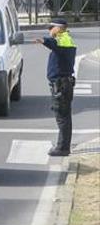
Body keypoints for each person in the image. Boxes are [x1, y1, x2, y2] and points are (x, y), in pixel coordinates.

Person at [36, 19, 77, 157]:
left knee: (62, 116)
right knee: (64, 116)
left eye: (51, 28)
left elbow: (54, 44)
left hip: (61, 84)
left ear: (58, 29)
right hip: (64, 83)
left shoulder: (63, 39)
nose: (49, 30)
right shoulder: (66, 39)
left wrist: (44, 40)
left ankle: (62, 148)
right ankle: (63, 145)